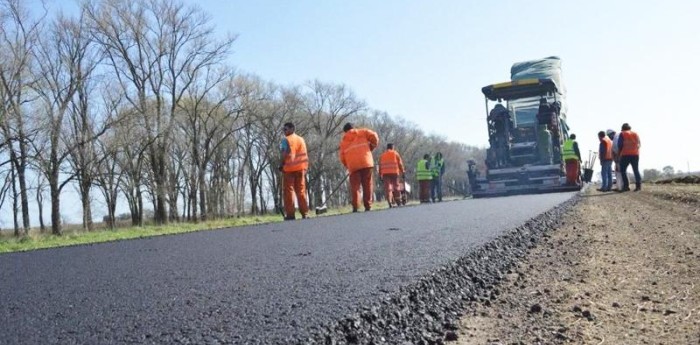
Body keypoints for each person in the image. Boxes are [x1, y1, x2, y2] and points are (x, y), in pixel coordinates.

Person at [339, 123, 379, 212]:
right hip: (366, 162)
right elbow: (374, 136)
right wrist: (372, 146)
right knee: (367, 184)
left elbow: (342, 156)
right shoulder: (363, 132)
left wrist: (347, 165)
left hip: (353, 165)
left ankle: (356, 206)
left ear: (345, 131)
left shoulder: (343, 141)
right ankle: (368, 206)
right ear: (353, 127)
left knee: (355, 187)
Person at [279, 122, 309, 220]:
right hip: (301, 169)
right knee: (301, 191)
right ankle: (305, 213)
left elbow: (284, 153)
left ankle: (291, 215)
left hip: (289, 169)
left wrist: (281, 164)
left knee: (289, 192)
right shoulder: (301, 139)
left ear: (292, 129)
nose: (284, 132)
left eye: (285, 129)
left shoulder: (285, 140)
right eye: (283, 130)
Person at [378, 143, 405, 208]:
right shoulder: (395, 154)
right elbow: (400, 164)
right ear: (392, 147)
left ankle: (389, 202)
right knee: (396, 186)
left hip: (385, 173)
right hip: (394, 172)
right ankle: (398, 202)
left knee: (387, 188)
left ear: (387, 148)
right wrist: (403, 172)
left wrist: (380, 174)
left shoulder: (382, 155)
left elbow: (380, 166)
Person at [617, 123, 642, 192]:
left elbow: (620, 145)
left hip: (625, 154)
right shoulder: (635, 134)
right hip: (635, 154)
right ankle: (638, 186)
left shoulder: (622, 134)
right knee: (636, 170)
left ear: (623, 128)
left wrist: (619, 154)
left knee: (623, 170)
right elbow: (639, 144)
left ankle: (626, 186)